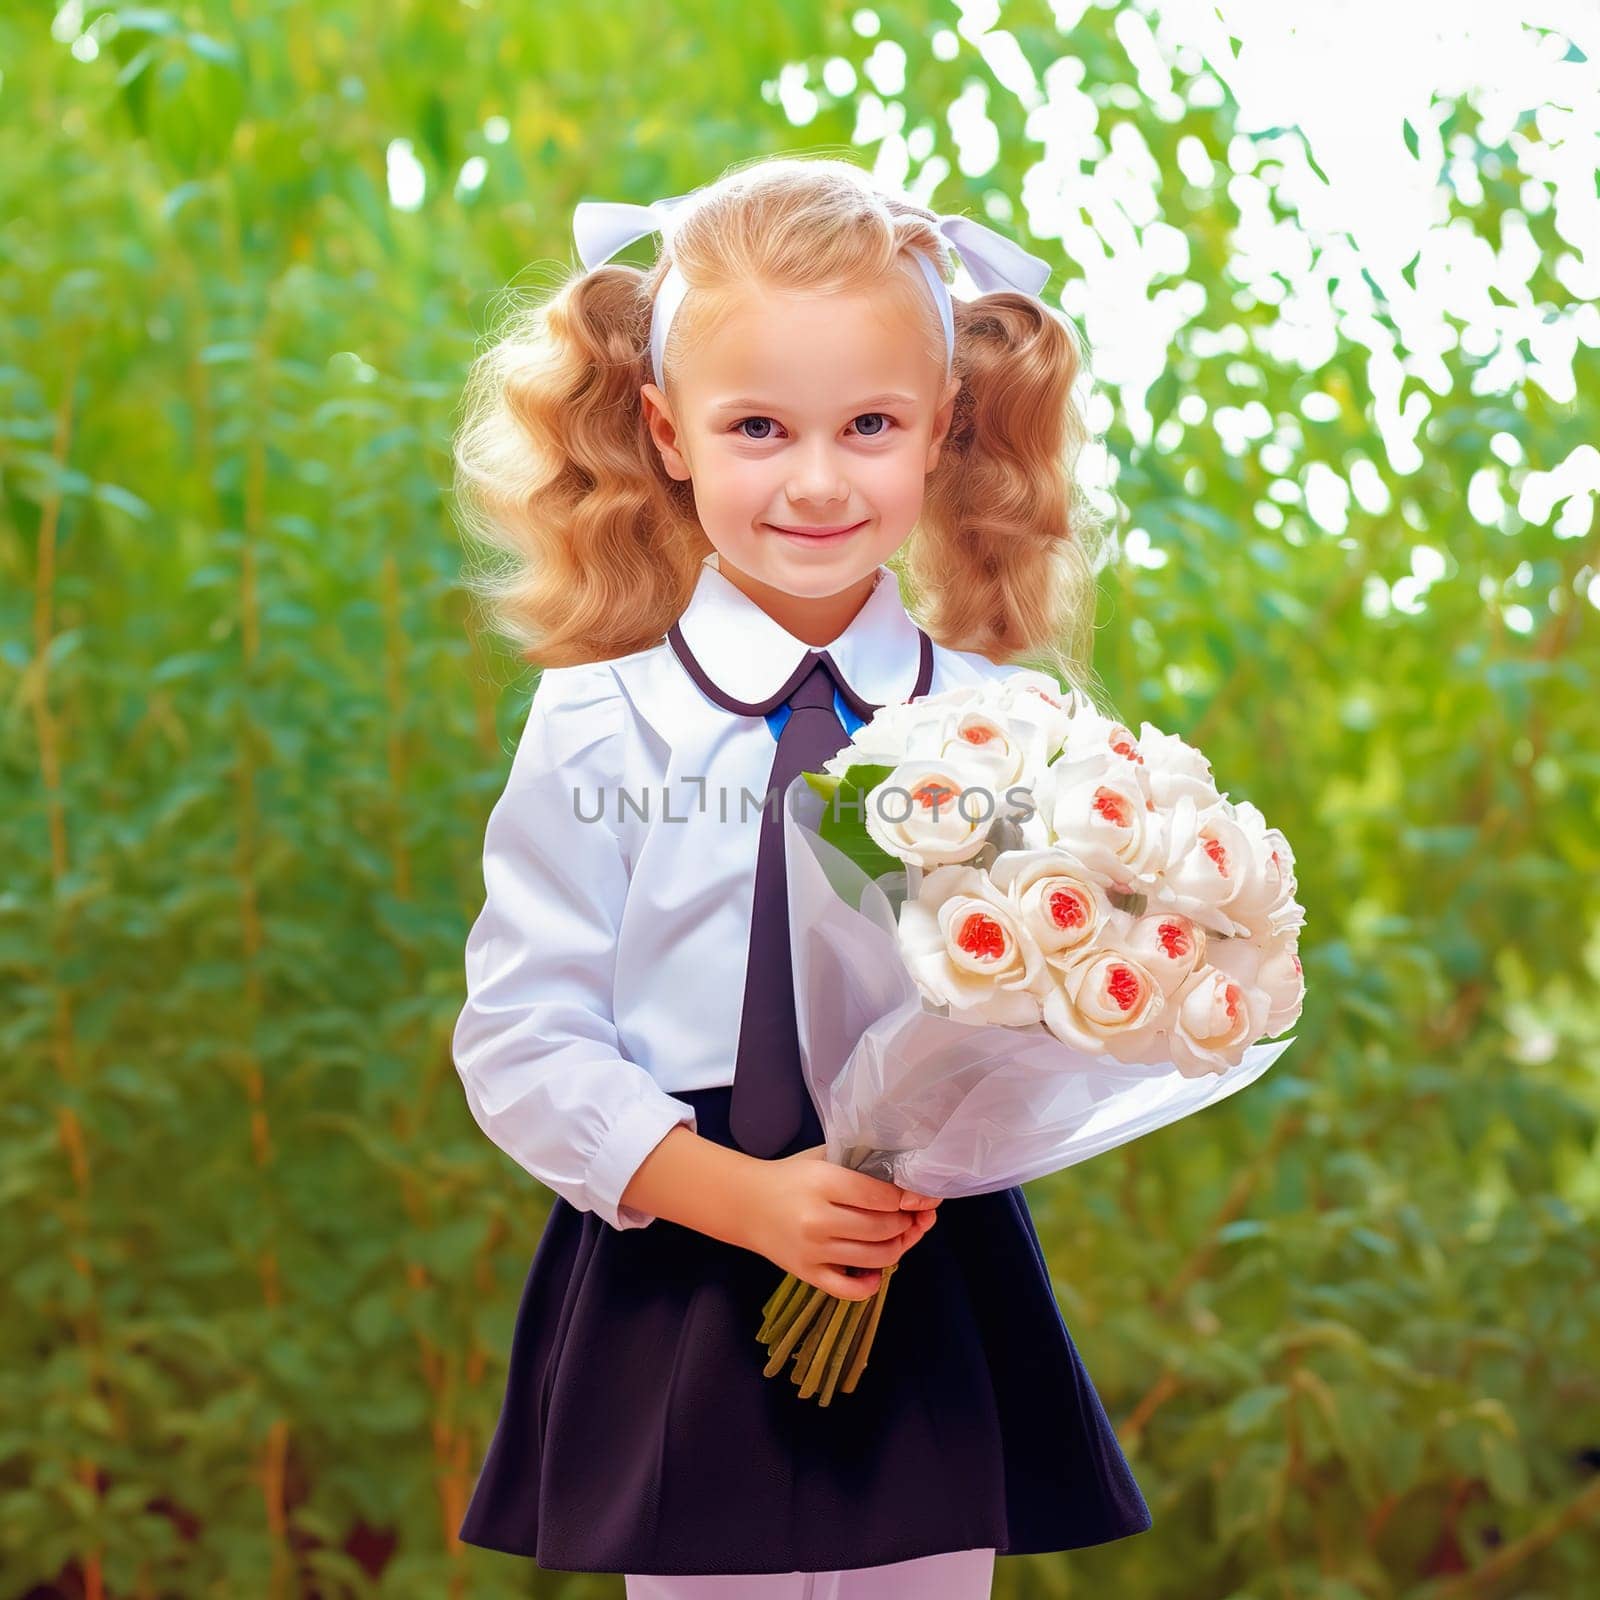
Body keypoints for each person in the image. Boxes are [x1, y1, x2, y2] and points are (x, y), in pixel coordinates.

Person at [447, 156, 1151, 1598]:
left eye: (871, 424)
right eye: (758, 425)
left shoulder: (1001, 718)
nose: (819, 478)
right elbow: (522, 1037)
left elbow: (1041, 996)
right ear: (668, 429)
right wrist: (745, 1199)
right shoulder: (601, 719)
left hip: (922, 1258)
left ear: (944, 429)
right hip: (686, 1247)